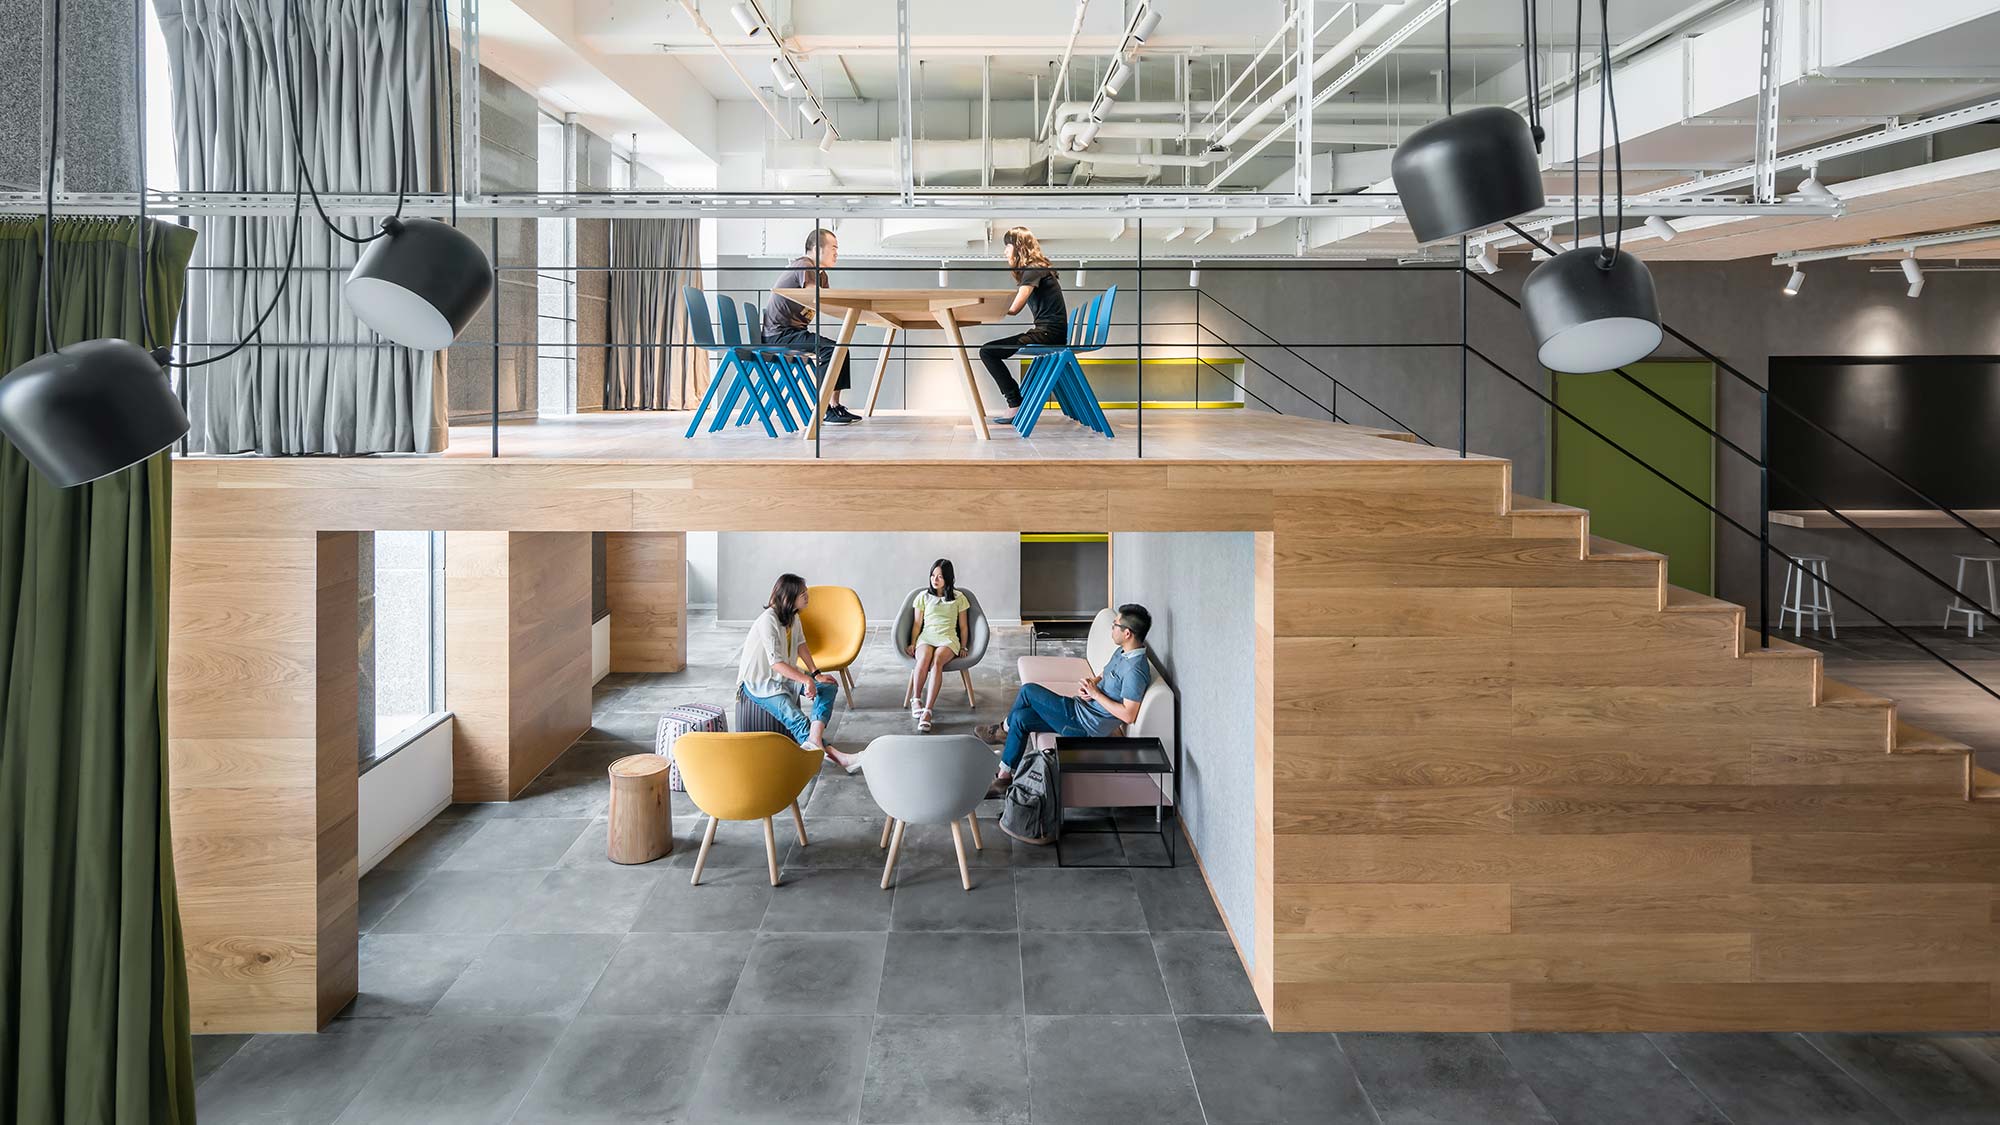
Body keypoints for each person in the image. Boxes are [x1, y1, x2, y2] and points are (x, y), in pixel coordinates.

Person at [975, 604, 1152, 797]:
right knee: (1020, 717)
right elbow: (1106, 673)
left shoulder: (1135, 671)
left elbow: (1128, 714)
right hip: (1080, 708)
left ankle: (1003, 730)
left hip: (1084, 726)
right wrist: (1092, 683)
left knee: (1028, 691)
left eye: (1115, 624)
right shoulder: (1123, 652)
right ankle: (1004, 778)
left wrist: (1096, 695)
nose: (1112, 627)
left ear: (1127, 633)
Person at [737, 573, 862, 771]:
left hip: (785, 677)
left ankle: (814, 739)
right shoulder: (767, 621)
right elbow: (775, 663)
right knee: (796, 718)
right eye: (802, 593)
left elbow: (801, 645)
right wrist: (805, 680)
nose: (807, 596)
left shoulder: (793, 617)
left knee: (828, 687)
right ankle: (840, 758)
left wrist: (816, 674)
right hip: (761, 683)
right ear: (789, 596)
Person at [763, 228, 859, 424]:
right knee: (832, 349)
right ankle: (824, 408)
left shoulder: (821, 275)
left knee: (840, 349)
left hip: (794, 332)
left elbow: (827, 303)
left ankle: (833, 406)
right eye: (833, 248)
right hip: (779, 335)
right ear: (816, 249)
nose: (836, 253)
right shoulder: (804, 265)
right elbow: (813, 294)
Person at [978, 226, 1068, 426]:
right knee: (989, 351)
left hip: (1048, 334)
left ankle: (1014, 403)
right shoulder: (1038, 268)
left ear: (1018, 246)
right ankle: (1015, 401)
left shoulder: (1033, 268)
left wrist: (988, 310)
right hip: (1050, 332)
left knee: (987, 352)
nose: (1004, 251)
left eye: (1007, 246)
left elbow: (1015, 307)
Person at [905, 558, 970, 733]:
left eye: (940, 576)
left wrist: (963, 647)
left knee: (937, 662)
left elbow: (963, 627)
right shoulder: (923, 597)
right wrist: (912, 643)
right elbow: (917, 624)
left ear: (948, 578)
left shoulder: (959, 598)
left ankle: (927, 710)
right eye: (933, 575)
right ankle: (916, 699)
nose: (935, 579)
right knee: (924, 658)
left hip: (948, 638)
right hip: (927, 636)